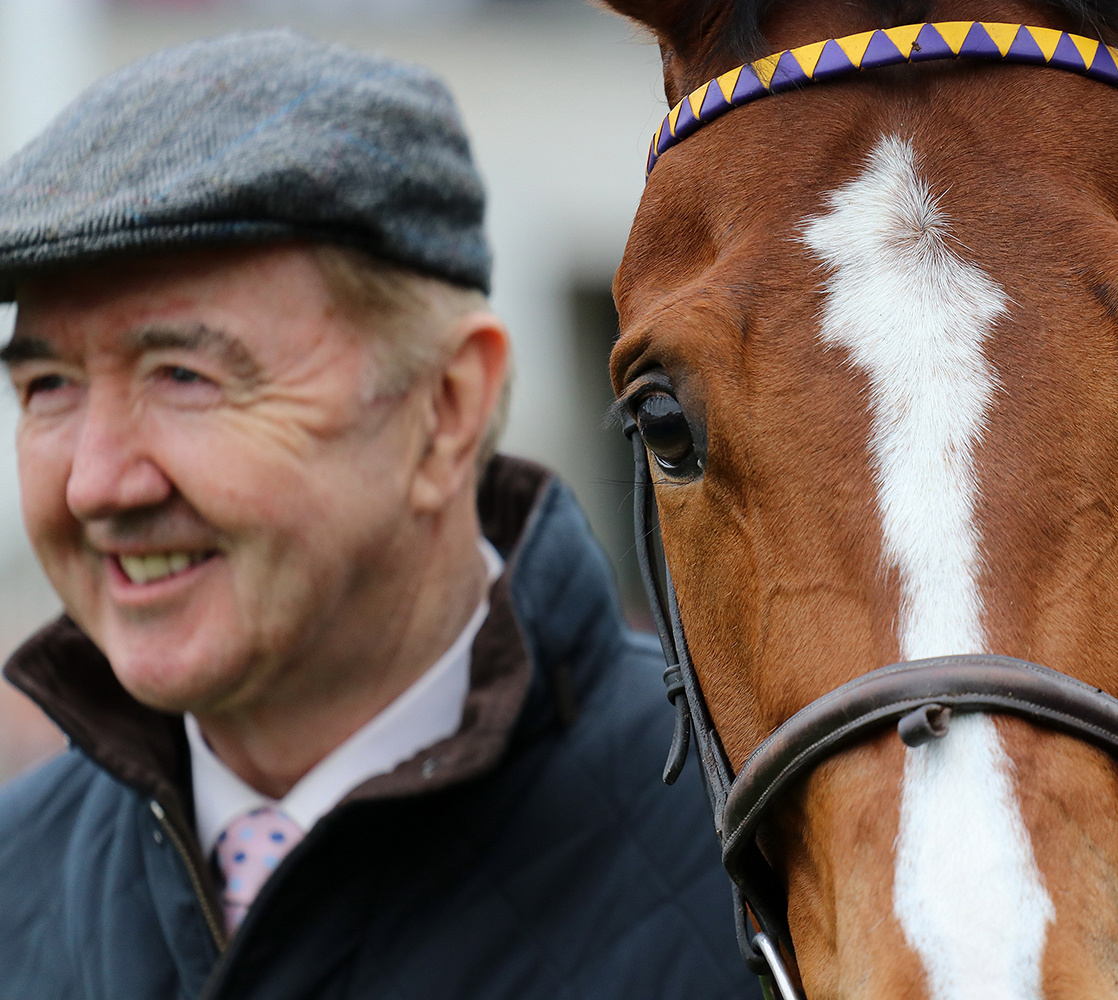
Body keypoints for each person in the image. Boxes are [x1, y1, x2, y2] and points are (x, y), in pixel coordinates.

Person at [0, 30, 755, 1000]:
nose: (96, 484)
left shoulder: (764, 871)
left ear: (444, 410)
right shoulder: (20, 885)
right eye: (48, 387)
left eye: (183, 375)